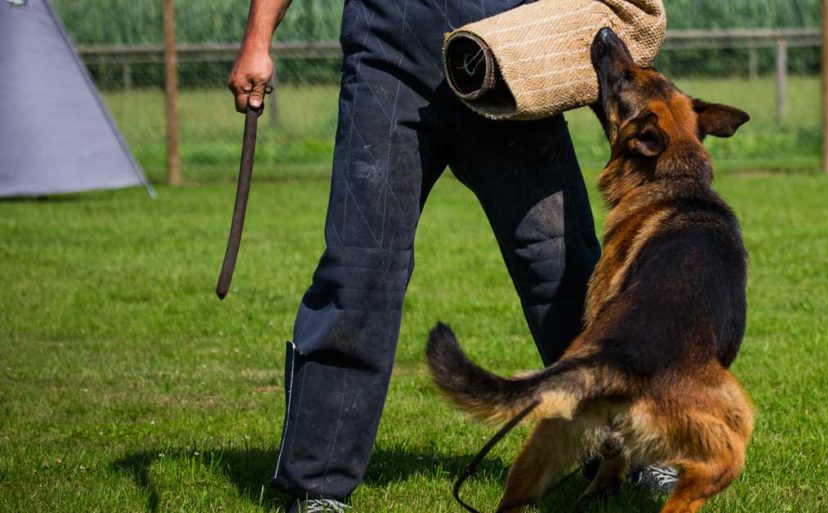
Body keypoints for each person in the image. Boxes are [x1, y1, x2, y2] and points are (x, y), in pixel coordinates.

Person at [229, 1, 668, 512]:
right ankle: (317, 487)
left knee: (565, 266)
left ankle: (627, 451)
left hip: (506, 52)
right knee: (358, 271)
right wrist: (258, 39)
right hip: (387, 62)